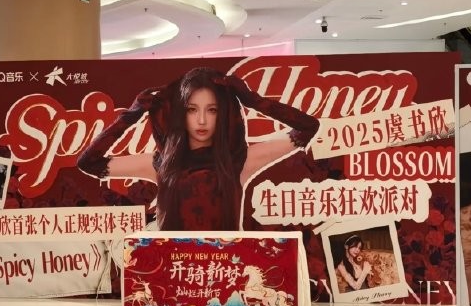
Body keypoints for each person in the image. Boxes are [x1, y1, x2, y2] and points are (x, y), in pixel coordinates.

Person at [77, 67, 319, 231]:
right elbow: (88, 163)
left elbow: (308, 128)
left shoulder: (239, 161)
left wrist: (252, 100)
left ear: (223, 113)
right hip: (175, 271)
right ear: (180, 113)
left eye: (212, 110)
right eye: (192, 110)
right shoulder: (161, 163)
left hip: (226, 270)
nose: (202, 120)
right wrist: (130, 116)